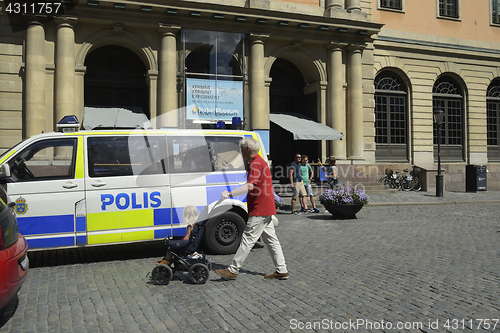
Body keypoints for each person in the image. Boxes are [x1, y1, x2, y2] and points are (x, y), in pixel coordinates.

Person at [215, 137, 288, 280]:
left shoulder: (255, 163)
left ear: (247, 149)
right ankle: (282, 270)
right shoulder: (261, 162)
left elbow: (250, 186)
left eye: (241, 150)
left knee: (248, 239)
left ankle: (233, 270)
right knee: (272, 240)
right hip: (266, 207)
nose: (240, 153)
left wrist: (229, 194)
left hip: (260, 208)